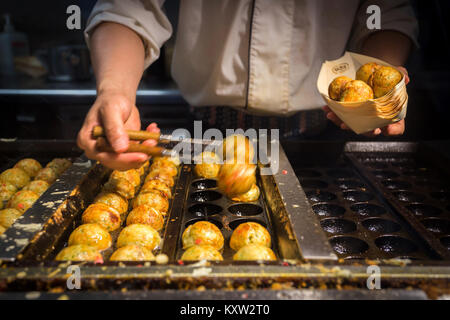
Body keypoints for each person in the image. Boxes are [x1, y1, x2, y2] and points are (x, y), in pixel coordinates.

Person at [77, 0, 418, 170]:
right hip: (203, 137)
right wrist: (114, 91)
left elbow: (386, 12)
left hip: (323, 140)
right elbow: (128, 8)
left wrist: (375, 83)